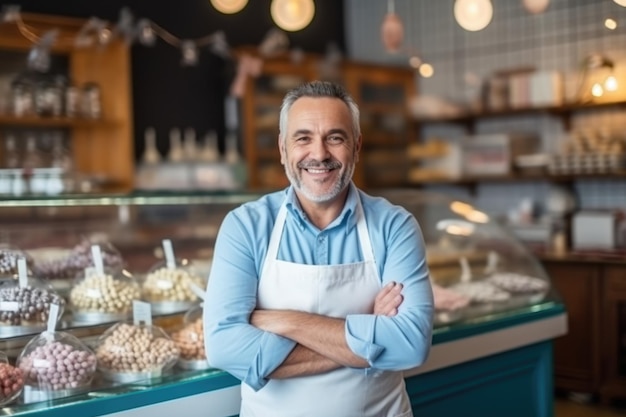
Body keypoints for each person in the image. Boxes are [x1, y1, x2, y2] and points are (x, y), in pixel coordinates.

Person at [203, 80, 434, 417]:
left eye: (335, 138)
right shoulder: (245, 226)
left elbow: (411, 344)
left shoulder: (394, 226)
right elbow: (224, 348)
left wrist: (285, 322)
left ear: (356, 147)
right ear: (283, 149)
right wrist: (369, 331)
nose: (319, 154)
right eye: (303, 138)